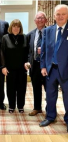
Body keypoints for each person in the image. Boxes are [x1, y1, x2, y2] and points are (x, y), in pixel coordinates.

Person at [39, 4, 68, 132]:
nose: (60, 16)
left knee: (67, 96)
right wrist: (43, 66)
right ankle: (50, 116)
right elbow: (44, 50)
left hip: (66, 70)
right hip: (51, 69)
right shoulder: (48, 31)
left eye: (63, 14)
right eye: (58, 14)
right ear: (54, 16)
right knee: (50, 95)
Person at [1, 19, 28, 113]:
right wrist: (3, 67)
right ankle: (11, 105)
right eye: (14, 26)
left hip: (22, 68)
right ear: (10, 27)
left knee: (21, 88)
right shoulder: (5, 38)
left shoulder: (25, 37)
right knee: (11, 88)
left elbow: (28, 52)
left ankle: (21, 106)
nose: (16, 28)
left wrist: (28, 62)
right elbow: (2, 53)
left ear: (20, 28)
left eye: (18, 26)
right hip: (10, 68)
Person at [24, 11, 47, 116]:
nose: (40, 20)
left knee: (50, 90)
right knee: (36, 88)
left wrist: (44, 50)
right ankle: (37, 108)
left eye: (42, 18)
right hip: (35, 65)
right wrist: (28, 61)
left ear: (46, 20)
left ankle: (51, 110)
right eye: (38, 18)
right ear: (35, 21)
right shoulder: (30, 34)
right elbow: (29, 51)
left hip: (48, 66)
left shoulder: (50, 32)